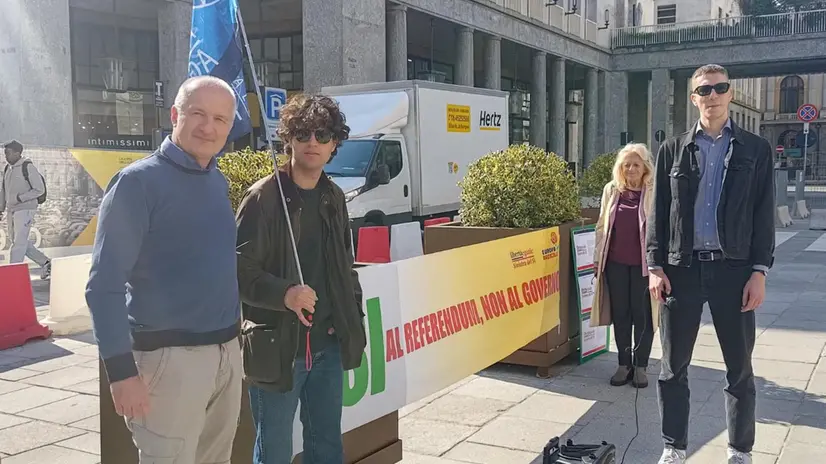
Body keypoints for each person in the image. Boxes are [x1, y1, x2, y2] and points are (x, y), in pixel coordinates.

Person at [85, 76, 243, 464]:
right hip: (168, 362)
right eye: (198, 113)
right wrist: (121, 372)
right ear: (174, 115)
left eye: (220, 119)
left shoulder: (216, 180)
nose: (208, 127)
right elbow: (104, 285)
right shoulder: (137, 183)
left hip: (226, 353)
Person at [647, 64, 775, 464]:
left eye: (720, 88)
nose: (713, 95)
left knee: (739, 368)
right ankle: (674, 446)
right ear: (694, 98)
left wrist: (759, 271)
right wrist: (655, 266)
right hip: (681, 270)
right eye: (705, 90)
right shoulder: (673, 149)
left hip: (733, 271)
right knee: (672, 367)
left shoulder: (755, 149)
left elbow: (763, 213)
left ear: (730, 93)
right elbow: (659, 212)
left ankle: (740, 450)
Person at [235, 94, 366, 464]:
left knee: (327, 447)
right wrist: (285, 294)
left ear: (334, 144)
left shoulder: (333, 197)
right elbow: (239, 272)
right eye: (303, 133)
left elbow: (345, 268)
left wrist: (350, 319)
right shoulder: (262, 198)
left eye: (322, 135)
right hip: (279, 349)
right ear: (288, 138)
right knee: (274, 452)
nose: (313, 142)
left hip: (328, 346)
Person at [592, 143, 657, 389]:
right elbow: (601, 225)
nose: (631, 169)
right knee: (621, 314)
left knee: (643, 316)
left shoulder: (653, 191)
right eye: (626, 164)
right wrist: (597, 258)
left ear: (645, 167)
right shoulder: (612, 190)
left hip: (644, 266)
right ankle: (623, 364)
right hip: (615, 263)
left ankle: (640, 366)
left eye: (636, 164)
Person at [0, 140, 51, 279]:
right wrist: (1, 209)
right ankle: (46, 263)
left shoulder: (28, 167)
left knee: (19, 243)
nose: (6, 156)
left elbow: (39, 189)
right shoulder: (8, 169)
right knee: (18, 241)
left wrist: (21, 198)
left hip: (25, 209)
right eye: (5, 153)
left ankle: (13, 274)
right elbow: (3, 190)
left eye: (8, 153)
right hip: (12, 210)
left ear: (17, 153)